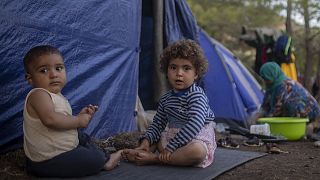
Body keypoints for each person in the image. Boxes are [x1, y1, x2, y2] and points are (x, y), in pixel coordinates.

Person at [22, 45, 122, 178]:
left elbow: (63, 120)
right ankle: (103, 162)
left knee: (82, 137)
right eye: (44, 70)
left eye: (58, 68)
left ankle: (99, 154)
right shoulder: (38, 95)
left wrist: (80, 116)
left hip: (61, 149)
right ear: (30, 79)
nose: (53, 74)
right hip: (48, 160)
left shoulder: (58, 97)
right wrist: (78, 121)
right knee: (93, 158)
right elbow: (50, 119)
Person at [122, 39, 216, 168]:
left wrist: (171, 147)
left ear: (196, 74)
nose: (179, 73)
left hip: (194, 137)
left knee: (197, 152)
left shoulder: (197, 95)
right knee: (154, 138)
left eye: (186, 68)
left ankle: (155, 159)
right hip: (173, 137)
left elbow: (195, 123)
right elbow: (158, 123)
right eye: (173, 67)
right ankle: (142, 151)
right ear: (166, 71)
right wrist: (146, 140)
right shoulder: (166, 98)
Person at [250, 62, 320, 136]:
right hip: (298, 111)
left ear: (273, 74)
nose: (265, 81)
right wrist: (258, 115)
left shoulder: (284, 86)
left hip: (310, 112)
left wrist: (263, 123)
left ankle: (308, 127)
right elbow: (265, 104)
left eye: (267, 78)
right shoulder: (271, 86)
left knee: (290, 104)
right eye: (264, 78)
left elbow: (276, 111)